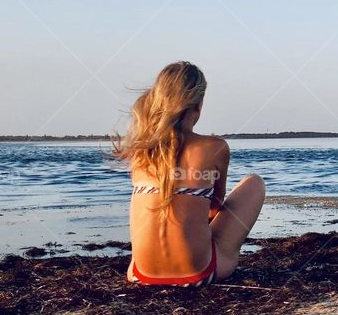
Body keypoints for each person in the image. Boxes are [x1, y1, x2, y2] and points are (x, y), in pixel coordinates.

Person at [113, 61, 265, 286]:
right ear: (198, 105)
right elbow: (215, 205)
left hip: (138, 274)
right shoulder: (214, 147)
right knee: (254, 184)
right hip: (199, 274)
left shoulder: (140, 150)